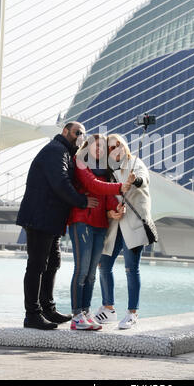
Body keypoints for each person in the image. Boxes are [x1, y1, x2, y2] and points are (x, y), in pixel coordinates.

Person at [17, 121, 99, 330]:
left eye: (82, 134)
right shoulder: (56, 150)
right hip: (40, 217)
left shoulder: (66, 153)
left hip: (51, 219)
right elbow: (60, 182)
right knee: (37, 265)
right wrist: (82, 201)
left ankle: (48, 309)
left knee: (52, 263)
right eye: (76, 132)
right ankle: (32, 314)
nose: (80, 136)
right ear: (64, 131)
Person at [68, 134, 133, 330]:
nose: (100, 150)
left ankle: (86, 312)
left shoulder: (104, 169)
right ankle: (76, 316)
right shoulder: (80, 163)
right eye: (97, 146)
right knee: (81, 270)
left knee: (91, 274)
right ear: (87, 146)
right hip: (82, 221)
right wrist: (121, 186)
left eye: (103, 148)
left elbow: (106, 196)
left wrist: (116, 206)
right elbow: (92, 185)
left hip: (100, 223)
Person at [95, 133, 152, 329]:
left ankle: (132, 313)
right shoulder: (109, 170)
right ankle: (108, 308)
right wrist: (111, 212)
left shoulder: (135, 163)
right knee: (103, 265)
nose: (116, 148)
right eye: (111, 147)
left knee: (131, 269)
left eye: (119, 144)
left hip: (133, 224)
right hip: (115, 225)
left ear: (125, 146)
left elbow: (143, 179)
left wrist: (134, 181)